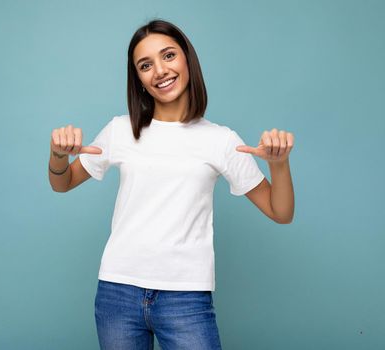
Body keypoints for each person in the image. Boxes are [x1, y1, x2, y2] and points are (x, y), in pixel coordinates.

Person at [48, 19, 294, 350]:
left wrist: (279, 164)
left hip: (186, 298)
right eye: (145, 65)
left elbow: (281, 211)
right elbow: (62, 184)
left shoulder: (220, 140)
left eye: (168, 56)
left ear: (187, 59)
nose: (160, 70)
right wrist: (58, 156)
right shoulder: (120, 131)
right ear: (139, 80)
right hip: (117, 292)